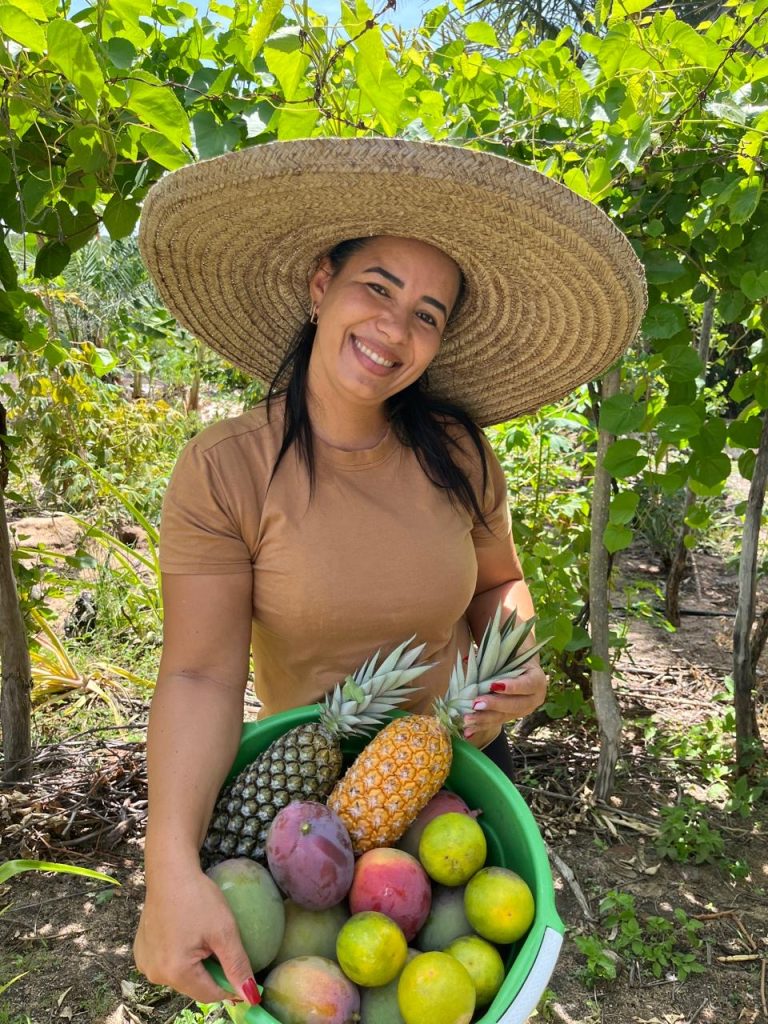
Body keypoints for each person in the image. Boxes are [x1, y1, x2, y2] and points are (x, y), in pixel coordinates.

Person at [133, 138, 647, 1006]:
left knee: (463, 987)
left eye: (428, 314)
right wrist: (169, 867)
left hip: (460, 771)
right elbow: (196, 672)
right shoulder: (227, 469)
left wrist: (513, 653)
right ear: (319, 285)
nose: (394, 330)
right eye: (377, 287)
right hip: (308, 805)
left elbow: (496, 583)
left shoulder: (458, 453)